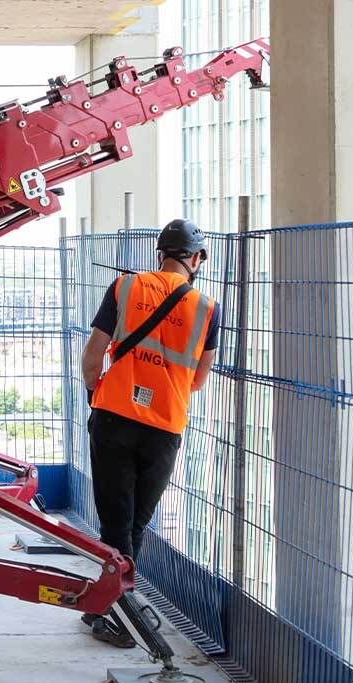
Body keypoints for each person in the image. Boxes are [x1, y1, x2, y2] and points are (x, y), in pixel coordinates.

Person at [78, 218, 221, 647]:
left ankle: (113, 611)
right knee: (136, 522)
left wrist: (95, 390)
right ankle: (113, 608)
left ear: (160, 254)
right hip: (163, 426)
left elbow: (92, 356)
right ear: (195, 260)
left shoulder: (125, 288)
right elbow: (198, 380)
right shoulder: (207, 308)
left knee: (115, 522)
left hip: (115, 415)